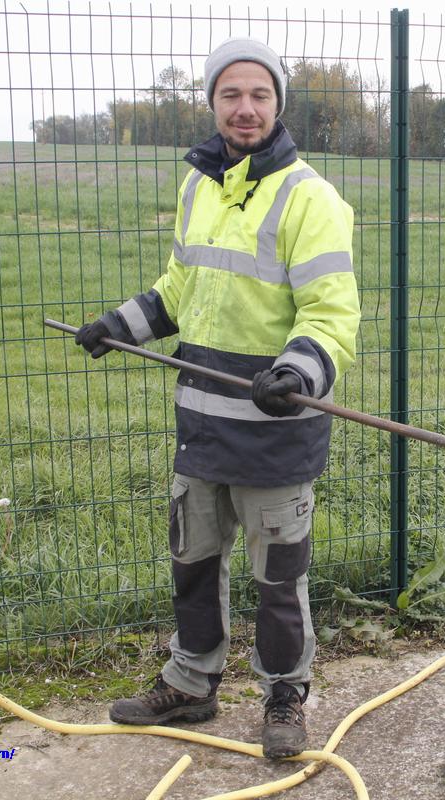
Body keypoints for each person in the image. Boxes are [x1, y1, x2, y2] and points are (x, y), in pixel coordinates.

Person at [74, 37, 360, 759]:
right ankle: (192, 682)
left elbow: (332, 314)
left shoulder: (311, 199)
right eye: (230, 94)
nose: (245, 107)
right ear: (211, 102)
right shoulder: (199, 185)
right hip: (201, 425)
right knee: (193, 561)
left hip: (275, 434)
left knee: (279, 580)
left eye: (259, 95)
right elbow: (181, 288)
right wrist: (121, 324)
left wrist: (296, 375)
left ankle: (285, 695)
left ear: (279, 105)